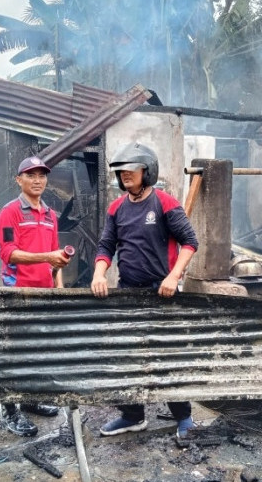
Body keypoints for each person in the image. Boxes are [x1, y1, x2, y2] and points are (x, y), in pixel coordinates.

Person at [91, 142, 198, 439]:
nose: (125, 174)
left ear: (147, 171)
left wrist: (174, 277)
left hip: (162, 293)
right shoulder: (116, 208)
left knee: (166, 356)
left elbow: (190, 241)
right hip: (128, 291)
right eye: (121, 170)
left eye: (132, 169)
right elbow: (106, 246)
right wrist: (99, 273)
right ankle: (132, 415)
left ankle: (184, 417)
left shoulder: (164, 203)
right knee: (127, 355)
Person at [0, 156, 71, 436]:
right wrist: (46, 256)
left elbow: (56, 259)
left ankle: (29, 401)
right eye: (30, 175)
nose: (37, 180)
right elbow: (8, 253)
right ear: (19, 180)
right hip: (18, 293)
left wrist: (59, 290)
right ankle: (10, 411)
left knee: (37, 350)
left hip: (45, 292)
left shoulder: (51, 215)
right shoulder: (10, 212)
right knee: (14, 353)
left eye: (41, 175)